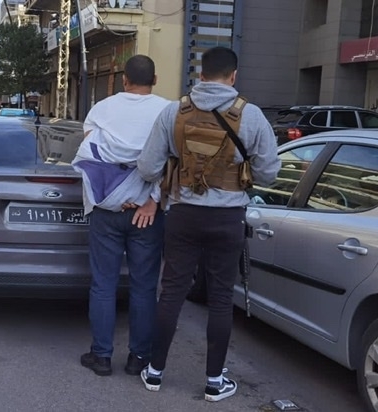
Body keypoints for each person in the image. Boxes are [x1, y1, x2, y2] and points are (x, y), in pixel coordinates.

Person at [136, 47, 281, 401]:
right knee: (220, 298)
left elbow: (147, 168)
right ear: (233, 76)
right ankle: (214, 382)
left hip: (183, 214)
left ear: (200, 75)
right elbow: (269, 174)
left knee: (171, 291)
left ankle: (154, 372)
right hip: (228, 217)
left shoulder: (175, 111)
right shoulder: (252, 115)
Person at [72, 54, 171, 377]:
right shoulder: (168, 112)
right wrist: (149, 200)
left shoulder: (102, 109)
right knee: (144, 287)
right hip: (148, 212)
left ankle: (101, 356)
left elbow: (93, 157)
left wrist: (117, 194)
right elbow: (173, 164)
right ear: (154, 80)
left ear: (123, 81)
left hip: (107, 211)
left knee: (103, 284)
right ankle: (139, 358)